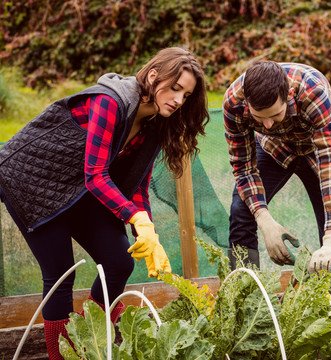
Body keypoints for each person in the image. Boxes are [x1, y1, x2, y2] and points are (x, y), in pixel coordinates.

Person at [0, 47, 209, 359]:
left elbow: (137, 185)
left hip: (76, 186)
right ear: (153, 76)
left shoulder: (155, 123)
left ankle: (94, 344)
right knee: (60, 274)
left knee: (118, 262)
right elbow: (96, 174)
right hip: (33, 181)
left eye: (186, 95)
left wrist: (146, 228)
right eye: (175, 88)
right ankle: (64, 357)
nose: (179, 100)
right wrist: (133, 217)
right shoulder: (111, 101)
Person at [223, 60, 331, 274]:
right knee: (241, 209)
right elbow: (243, 167)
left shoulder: (313, 92)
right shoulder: (233, 103)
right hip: (275, 146)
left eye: (275, 115)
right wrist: (265, 221)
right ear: (247, 102)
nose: (267, 125)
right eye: (259, 117)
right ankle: (243, 291)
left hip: (318, 149)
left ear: (289, 94)